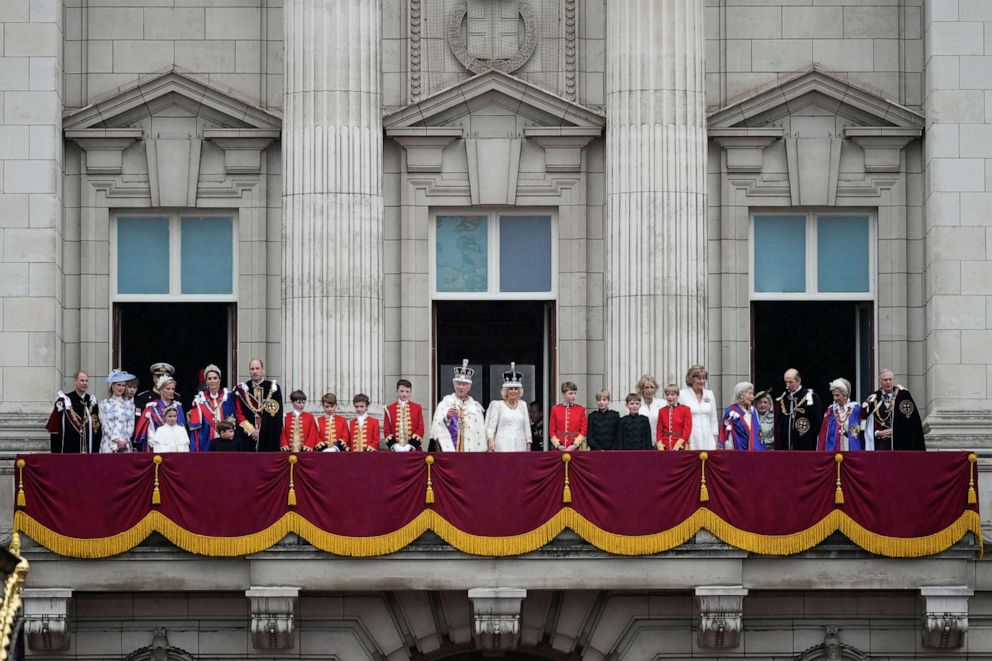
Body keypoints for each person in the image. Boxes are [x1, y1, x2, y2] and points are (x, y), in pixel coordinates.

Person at [429, 360, 487, 452]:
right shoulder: (445, 404)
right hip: (451, 453)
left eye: (464, 384)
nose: (461, 387)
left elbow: (480, 434)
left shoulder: (476, 408)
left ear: (469, 387)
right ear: (454, 386)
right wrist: (447, 417)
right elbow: (437, 429)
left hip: (471, 453)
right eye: (458, 384)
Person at [860, 369, 925, 451]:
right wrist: (876, 433)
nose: (888, 382)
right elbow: (864, 421)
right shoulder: (873, 398)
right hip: (880, 444)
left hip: (900, 443)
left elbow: (911, 420)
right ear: (880, 381)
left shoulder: (903, 395)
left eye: (890, 379)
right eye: (885, 380)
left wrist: (895, 431)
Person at [233, 358, 283, 452]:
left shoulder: (273, 388)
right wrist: (251, 430)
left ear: (262, 370)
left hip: (268, 437)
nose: (255, 371)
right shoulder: (242, 390)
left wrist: (262, 432)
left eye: (257, 368)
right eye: (252, 369)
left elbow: (277, 415)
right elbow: (239, 414)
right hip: (248, 437)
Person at [46, 371, 101, 453]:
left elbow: (96, 426)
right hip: (70, 446)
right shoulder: (66, 400)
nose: (85, 383)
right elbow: (56, 425)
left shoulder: (91, 401)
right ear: (75, 381)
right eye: (82, 380)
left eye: (86, 381)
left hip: (88, 447)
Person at [188, 364, 238, 452]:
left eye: (215, 378)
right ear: (206, 381)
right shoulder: (200, 399)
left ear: (219, 380)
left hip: (224, 441)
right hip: (206, 440)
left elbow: (233, 418)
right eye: (209, 378)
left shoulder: (227, 397)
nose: (212, 381)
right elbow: (195, 429)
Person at [485, 363, 532, 452]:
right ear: (506, 391)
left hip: (520, 446)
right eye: (510, 389)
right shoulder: (497, 405)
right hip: (502, 446)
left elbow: (527, 428)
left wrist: (528, 445)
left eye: (516, 389)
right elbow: (491, 428)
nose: (513, 391)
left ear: (519, 391)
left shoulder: (523, 405)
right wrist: (491, 441)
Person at [134, 375, 187, 452]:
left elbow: (181, 426)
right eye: (168, 389)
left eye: (173, 389)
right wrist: (156, 444)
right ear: (161, 390)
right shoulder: (152, 407)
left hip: (176, 447)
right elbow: (149, 431)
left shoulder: (177, 407)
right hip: (158, 448)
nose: (171, 391)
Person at [774, 369, 823, 451]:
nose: (787, 385)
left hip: (805, 444)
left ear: (798, 381)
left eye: (790, 382)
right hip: (786, 446)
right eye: (786, 382)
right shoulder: (784, 398)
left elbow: (817, 422)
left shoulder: (810, 397)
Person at [678, 365, 719, 451]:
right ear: (691, 379)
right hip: (690, 437)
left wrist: (715, 440)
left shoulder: (710, 394)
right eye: (699, 378)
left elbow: (713, 419)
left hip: (708, 438)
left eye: (704, 378)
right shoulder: (682, 394)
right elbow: (679, 419)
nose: (702, 381)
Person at [818, 378, 864, 452]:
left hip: (852, 449)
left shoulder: (856, 409)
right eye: (833, 395)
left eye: (837, 395)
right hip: (834, 450)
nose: (835, 398)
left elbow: (861, 430)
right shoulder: (831, 411)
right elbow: (824, 433)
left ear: (845, 394)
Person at [719, 382, 767, 451]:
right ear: (741, 395)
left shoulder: (754, 411)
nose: (752, 397)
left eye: (752, 394)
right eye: (750, 393)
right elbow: (724, 433)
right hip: (736, 450)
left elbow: (759, 432)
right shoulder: (731, 411)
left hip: (754, 451)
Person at [98, 369, 136, 453]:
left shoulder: (130, 405)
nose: (121, 388)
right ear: (112, 386)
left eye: (123, 385)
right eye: (118, 385)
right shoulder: (103, 403)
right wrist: (115, 439)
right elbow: (104, 424)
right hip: (108, 443)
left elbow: (131, 424)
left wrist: (125, 440)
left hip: (125, 444)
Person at [384, 379, 425, 452]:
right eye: (402, 391)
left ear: (410, 392)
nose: (404, 394)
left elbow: (420, 428)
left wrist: (410, 445)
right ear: (397, 391)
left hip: (413, 451)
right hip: (395, 452)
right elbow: (387, 430)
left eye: (407, 391)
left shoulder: (417, 407)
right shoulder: (389, 409)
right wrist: (395, 446)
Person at [549, 381, 587, 451]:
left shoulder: (580, 409)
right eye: (570, 393)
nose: (573, 396)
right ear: (563, 394)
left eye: (575, 393)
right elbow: (552, 430)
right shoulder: (555, 409)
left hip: (576, 448)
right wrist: (558, 445)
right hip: (560, 447)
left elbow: (584, 430)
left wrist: (575, 445)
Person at [657, 383, 693, 451]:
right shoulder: (661, 411)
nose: (669, 397)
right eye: (667, 395)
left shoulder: (685, 409)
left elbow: (687, 430)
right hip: (665, 445)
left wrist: (680, 443)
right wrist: (660, 444)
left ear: (678, 395)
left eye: (672, 395)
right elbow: (659, 430)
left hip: (680, 445)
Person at [635, 375, 664, 442]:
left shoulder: (663, 403)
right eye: (646, 387)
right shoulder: (635, 404)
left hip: (660, 443)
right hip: (641, 443)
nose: (649, 390)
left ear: (655, 389)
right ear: (641, 389)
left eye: (652, 387)